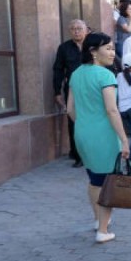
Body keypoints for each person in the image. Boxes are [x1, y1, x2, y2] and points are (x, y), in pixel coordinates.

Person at [67, 32, 129, 243]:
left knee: (94, 180)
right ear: (93, 51)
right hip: (104, 135)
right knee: (107, 183)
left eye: (113, 48)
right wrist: (124, 139)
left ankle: (98, 220)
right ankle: (103, 230)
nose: (112, 53)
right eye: (108, 49)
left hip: (82, 133)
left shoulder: (76, 73)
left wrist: (85, 123)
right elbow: (112, 110)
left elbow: (70, 109)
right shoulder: (106, 76)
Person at [53, 19, 89, 168]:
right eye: (73, 29)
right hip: (72, 90)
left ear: (86, 30)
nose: (76, 31)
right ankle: (78, 155)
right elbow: (58, 70)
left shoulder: (92, 45)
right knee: (73, 121)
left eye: (79, 28)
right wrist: (57, 92)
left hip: (91, 89)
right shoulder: (64, 48)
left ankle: (92, 152)